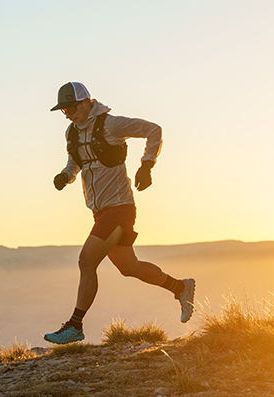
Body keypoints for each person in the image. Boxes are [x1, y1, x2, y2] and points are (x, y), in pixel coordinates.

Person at [44, 82, 196, 345]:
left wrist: (147, 164)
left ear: (85, 102)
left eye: (70, 108)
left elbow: (153, 130)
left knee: (86, 262)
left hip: (119, 209)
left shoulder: (111, 124)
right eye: (63, 111)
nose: (67, 114)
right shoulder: (72, 132)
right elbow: (76, 161)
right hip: (99, 210)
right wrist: (66, 176)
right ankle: (181, 287)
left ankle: (75, 325)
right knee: (129, 267)